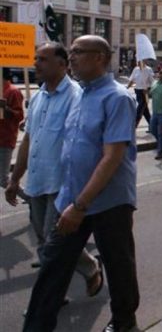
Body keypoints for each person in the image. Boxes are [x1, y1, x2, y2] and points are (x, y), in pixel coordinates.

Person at [22, 35, 140, 332]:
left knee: (118, 264)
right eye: (70, 51)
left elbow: (112, 157)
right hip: (71, 198)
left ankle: (124, 323)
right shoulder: (80, 94)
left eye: (78, 52)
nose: (71, 57)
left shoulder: (117, 97)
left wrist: (80, 205)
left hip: (108, 202)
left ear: (100, 57)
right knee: (52, 267)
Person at [6, 43, 103, 303]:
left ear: (63, 64)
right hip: (37, 179)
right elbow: (29, 139)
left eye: (43, 59)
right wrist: (15, 178)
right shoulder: (37, 97)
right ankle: (90, 266)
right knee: (42, 238)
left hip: (63, 183)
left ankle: (48, 299)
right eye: (36, 58)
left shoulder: (76, 95)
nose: (36, 63)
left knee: (53, 241)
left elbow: (83, 143)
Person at [0, 67, 24, 196]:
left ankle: (30, 198)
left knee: (3, 179)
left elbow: (19, 116)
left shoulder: (13, 92)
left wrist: (6, 108)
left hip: (5, 139)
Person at [127, 63, 154, 128]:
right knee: (144, 110)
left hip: (145, 91)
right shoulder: (136, 69)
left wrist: (148, 89)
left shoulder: (148, 69)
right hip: (138, 91)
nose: (138, 62)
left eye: (140, 61)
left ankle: (134, 123)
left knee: (140, 107)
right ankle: (152, 125)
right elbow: (132, 79)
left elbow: (152, 81)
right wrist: (127, 87)